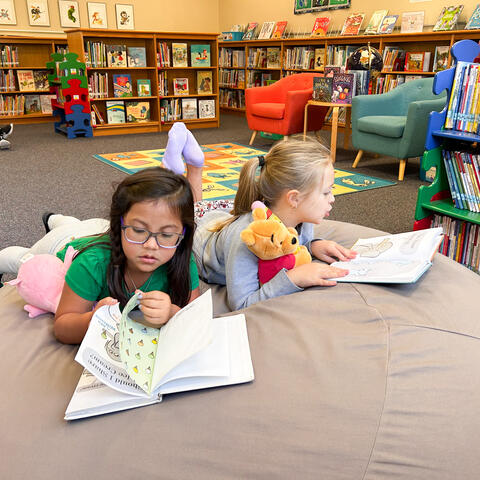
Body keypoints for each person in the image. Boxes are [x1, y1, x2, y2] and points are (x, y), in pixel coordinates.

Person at [193, 138, 357, 311]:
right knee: (188, 211)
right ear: (294, 198)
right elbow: (242, 303)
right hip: (201, 241)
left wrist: (313, 245)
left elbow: (290, 246)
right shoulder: (248, 240)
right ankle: (195, 169)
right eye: (326, 192)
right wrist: (294, 278)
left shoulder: (301, 218)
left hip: (224, 219)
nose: (332, 199)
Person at [53, 166, 199, 344]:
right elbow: (61, 327)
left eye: (167, 235)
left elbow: (195, 320)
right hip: (66, 246)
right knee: (27, 258)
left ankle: (63, 221)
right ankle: (55, 221)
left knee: (80, 225)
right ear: (117, 224)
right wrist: (92, 319)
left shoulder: (182, 260)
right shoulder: (91, 263)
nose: (151, 245)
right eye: (138, 230)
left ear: (184, 235)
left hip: (98, 235)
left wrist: (171, 313)